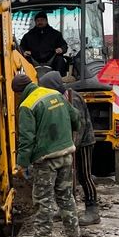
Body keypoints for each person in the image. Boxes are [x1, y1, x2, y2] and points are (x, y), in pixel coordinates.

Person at [12, 73, 80, 237]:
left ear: (19, 92)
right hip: (66, 153)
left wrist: (22, 163)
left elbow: (26, 138)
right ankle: (74, 233)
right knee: (66, 195)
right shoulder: (55, 94)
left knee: (43, 198)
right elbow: (75, 117)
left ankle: (43, 234)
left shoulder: (27, 105)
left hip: (46, 158)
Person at [40, 71, 99, 225]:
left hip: (84, 142)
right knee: (66, 178)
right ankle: (66, 209)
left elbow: (80, 125)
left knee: (84, 175)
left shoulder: (74, 99)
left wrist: (72, 146)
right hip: (69, 143)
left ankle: (92, 210)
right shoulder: (58, 99)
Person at [18, 12, 70, 76]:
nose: (40, 22)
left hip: (52, 59)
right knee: (24, 60)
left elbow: (64, 45)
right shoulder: (28, 35)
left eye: (42, 20)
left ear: (46, 21)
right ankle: (26, 80)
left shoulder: (55, 34)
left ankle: (59, 79)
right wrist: (24, 52)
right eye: (38, 21)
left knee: (60, 60)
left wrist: (61, 49)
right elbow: (21, 47)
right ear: (35, 22)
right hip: (33, 59)